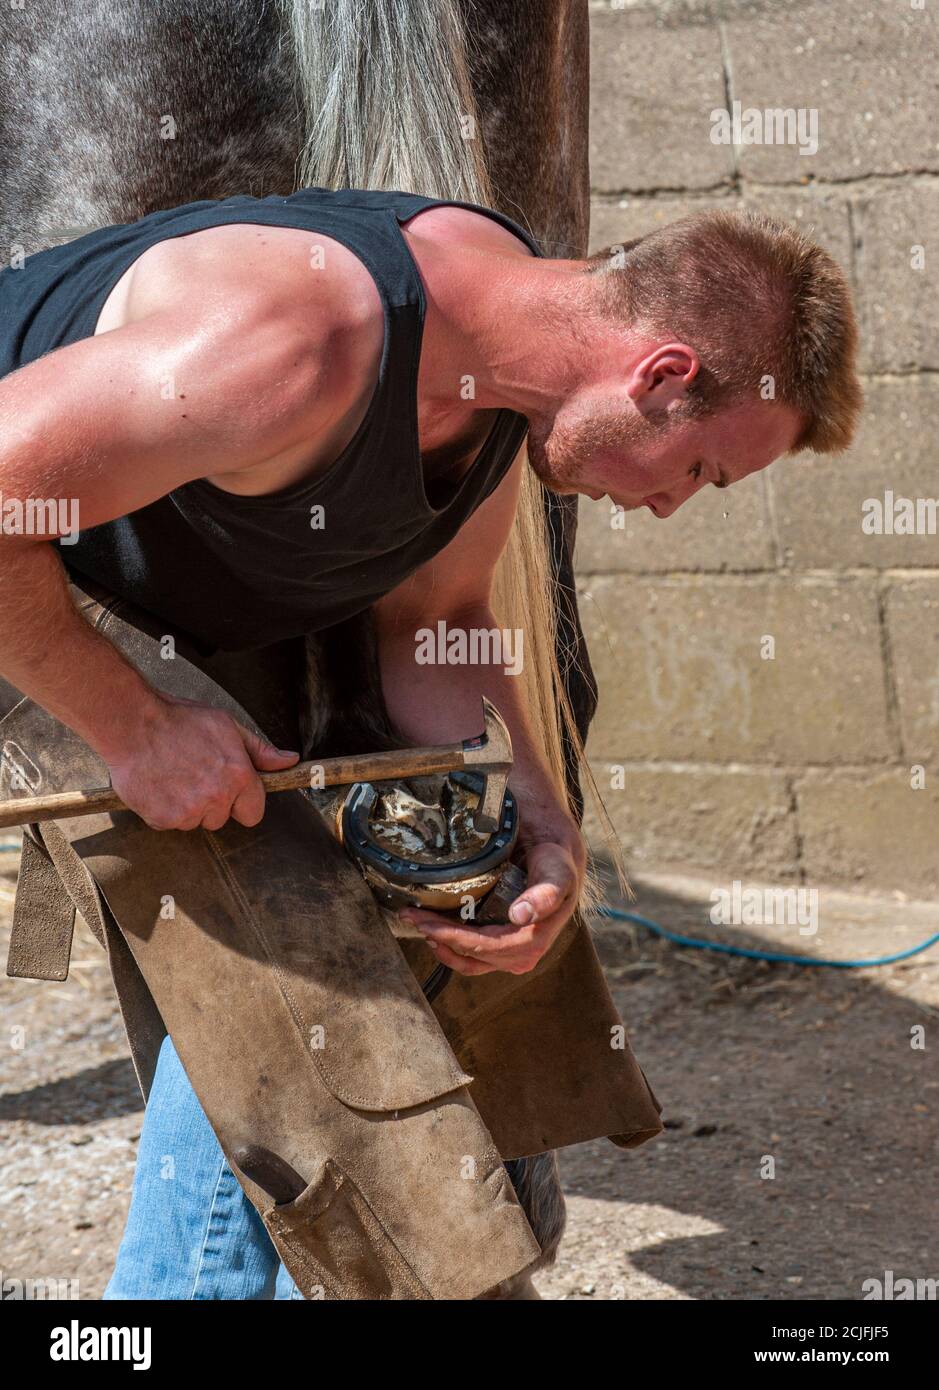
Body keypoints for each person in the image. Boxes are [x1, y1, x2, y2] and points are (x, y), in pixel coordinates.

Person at [0, 188, 860, 1299]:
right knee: (288, 936)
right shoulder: (301, 345)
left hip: (152, 582)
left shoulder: (506, 352)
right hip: (32, 586)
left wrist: (534, 807)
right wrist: (135, 728)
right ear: (662, 374)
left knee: (450, 845)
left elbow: (434, 617)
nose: (668, 508)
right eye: (700, 469)